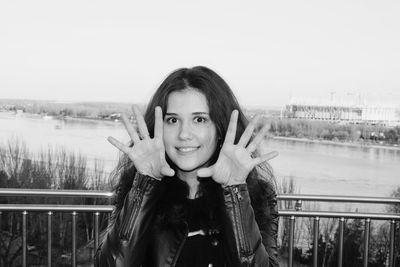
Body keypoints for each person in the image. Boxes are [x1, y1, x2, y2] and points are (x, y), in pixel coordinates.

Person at [95, 66, 280, 267]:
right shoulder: (138, 188)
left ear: (220, 129)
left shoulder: (257, 194)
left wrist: (234, 191)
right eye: (173, 120)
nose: (184, 134)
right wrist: (144, 185)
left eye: (199, 119)